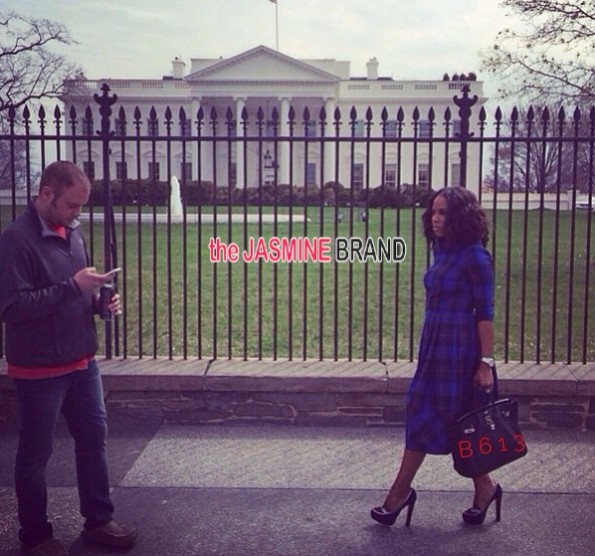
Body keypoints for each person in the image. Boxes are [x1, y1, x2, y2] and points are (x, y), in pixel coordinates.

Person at [0, 161, 137, 556]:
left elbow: (76, 289)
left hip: (82, 363)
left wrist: (99, 302)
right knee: (35, 455)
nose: (78, 214)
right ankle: (35, 536)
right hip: (39, 370)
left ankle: (98, 521)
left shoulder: (72, 233)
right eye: (72, 206)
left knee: (94, 440)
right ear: (46, 194)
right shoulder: (15, 239)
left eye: (81, 206)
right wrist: (71, 287)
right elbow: (11, 307)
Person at [371, 186, 501, 528]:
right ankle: (485, 487)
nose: (435, 218)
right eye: (433, 211)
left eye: (443, 212)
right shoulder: (441, 251)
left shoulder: (476, 257)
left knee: (450, 420)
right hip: (435, 348)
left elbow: (485, 313)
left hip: (460, 353)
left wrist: (485, 364)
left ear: (460, 217)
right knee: (439, 416)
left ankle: (399, 493)